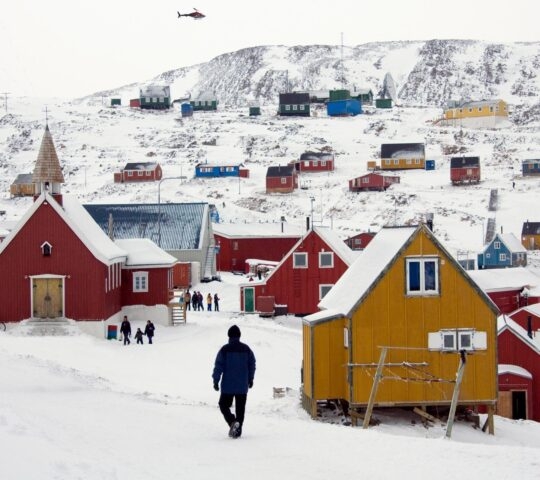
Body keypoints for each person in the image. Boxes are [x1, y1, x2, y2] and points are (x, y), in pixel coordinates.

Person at [212, 325, 256, 439]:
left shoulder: (224, 349)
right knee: (240, 410)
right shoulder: (246, 349)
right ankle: (237, 430)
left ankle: (232, 422)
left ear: (229, 336)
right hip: (242, 386)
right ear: (239, 335)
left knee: (223, 405)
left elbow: (218, 366)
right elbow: (252, 364)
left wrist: (215, 381)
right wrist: (250, 378)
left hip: (228, 386)